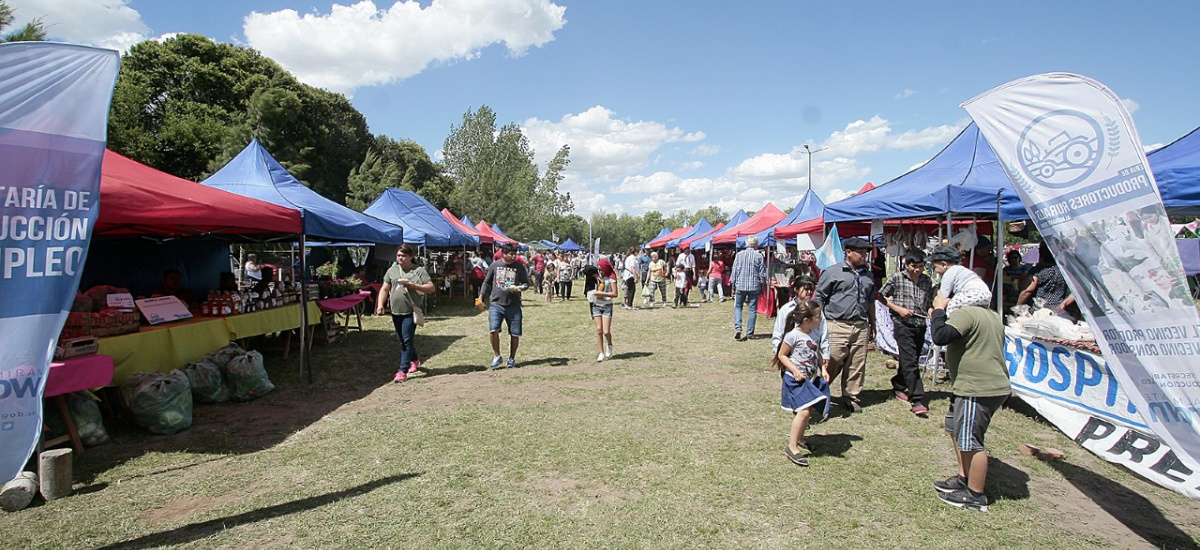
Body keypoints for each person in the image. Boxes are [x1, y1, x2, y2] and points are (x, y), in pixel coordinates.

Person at [930, 290, 1011, 512]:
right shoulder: (992, 315)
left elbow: (940, 336)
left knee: (971, 439)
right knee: (956, 429)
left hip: (977, 387)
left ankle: (975, 495)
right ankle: (964, 477)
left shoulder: (966, 314)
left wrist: (938, 310)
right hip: (972, 385)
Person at [814, 236, 876, 413]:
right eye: (861, 252)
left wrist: (873, 324)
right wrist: (818, 322)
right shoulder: (832, 272)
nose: (864, 256)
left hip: (860, 325)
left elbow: (871, 301)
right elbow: (820, 298)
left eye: (866, 252)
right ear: (848, 252)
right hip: (837, 324)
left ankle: (851, 397)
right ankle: (817, 393)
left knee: (857, 364)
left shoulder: (868, 275)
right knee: (832, 361)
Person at [775, 299, 831, 467]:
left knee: (810, 408)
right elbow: (782, 355)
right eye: (818, 317)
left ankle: (800, 439)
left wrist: (824, 369)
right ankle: (792, 447)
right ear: (807, 320)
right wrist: (794, 370)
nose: (820, 320)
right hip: (795, 380)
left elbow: (817, 353)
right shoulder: (793, 335)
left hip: (809, 378)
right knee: (804, 411)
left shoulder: (814, 334)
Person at [879, 249, 934, 416]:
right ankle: (917, 398)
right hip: (902, 323)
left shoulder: (926, 280)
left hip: (920, 323)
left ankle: (899, 383)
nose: (917, 269)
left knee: (911, 358)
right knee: (910, 361)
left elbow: (928, 301)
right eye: (913, 266)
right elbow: (880, 295)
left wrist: (931, 312)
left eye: (920, 266)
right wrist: (898, 309)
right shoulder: (897, 278)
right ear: (906, 264)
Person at [376, 245, 435, 383]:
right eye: (398, 256)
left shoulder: (418, 271)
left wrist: (414, 286)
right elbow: (385, 289)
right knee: (402, 339)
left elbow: (431, 288)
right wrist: (380, 305)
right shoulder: (392, 270)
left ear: (410, 257)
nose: (400, 258)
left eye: (403, 256)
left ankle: (402, 371)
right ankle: (414, 359)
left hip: (410, 311)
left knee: (407, 340)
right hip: (395, 311)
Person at [479, 244, 530, 369]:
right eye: (510, 254)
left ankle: (512, 358)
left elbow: (526, 284)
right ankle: (497, 356)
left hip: (513, 304)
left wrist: (518, 288)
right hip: (496, 303)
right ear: (503, 254)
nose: (513, 256)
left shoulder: (519, 267)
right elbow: (486, 282)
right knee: (493, 330)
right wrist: (480, 296)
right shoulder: (495, 265)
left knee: (515, 333)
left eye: (515, 254)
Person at [772, 276, 829, 370]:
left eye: (811, 289)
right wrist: (780, 354)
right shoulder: (786, 309)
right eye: (806, 289)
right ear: (796, 289)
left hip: (810, 359)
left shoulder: (816, 310)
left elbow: (823, 332)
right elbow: (778, 333)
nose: (809, 292)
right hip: (790, 358)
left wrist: (825, 354)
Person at [930, 246, 991, 315]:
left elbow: (944, 295)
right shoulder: (962, 270)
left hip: (973, 292)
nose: (934, 270)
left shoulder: (949, 273)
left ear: (944, 264)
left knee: (952, 305)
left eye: (934, 267)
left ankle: (950, 323)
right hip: (985, 294)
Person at [1016, 241, 1073, 314]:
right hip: (1058, 311)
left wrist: (1018, 307)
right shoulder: (1063, 270)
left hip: (1039, 311)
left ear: (1041, 255)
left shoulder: (1038, 271)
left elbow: (1027, 290)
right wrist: (1063, 304)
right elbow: (1077, 290)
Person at [731, 235, 767, 341]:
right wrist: (763, 287)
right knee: (752, 310)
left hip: (740, 285)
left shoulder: (739, 255)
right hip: (754, 286)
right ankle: (750, 333)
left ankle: (738, 327)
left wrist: (733, 285)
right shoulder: (759, 256)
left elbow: (735, 271)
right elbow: (762, 274)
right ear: (755, 244)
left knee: (738, 307)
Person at [585, 259, 619, 362]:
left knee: (606, 331)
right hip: (596, 306)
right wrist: (596, 276)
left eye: (601, 269)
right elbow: (586, 269)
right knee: (599, 330)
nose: (600, 271)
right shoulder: (597, 277)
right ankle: (601, 353)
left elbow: (615, 294)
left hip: (607, 306)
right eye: (598, 269)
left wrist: (601, 294)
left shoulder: (611, 279)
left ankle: (609, 344)